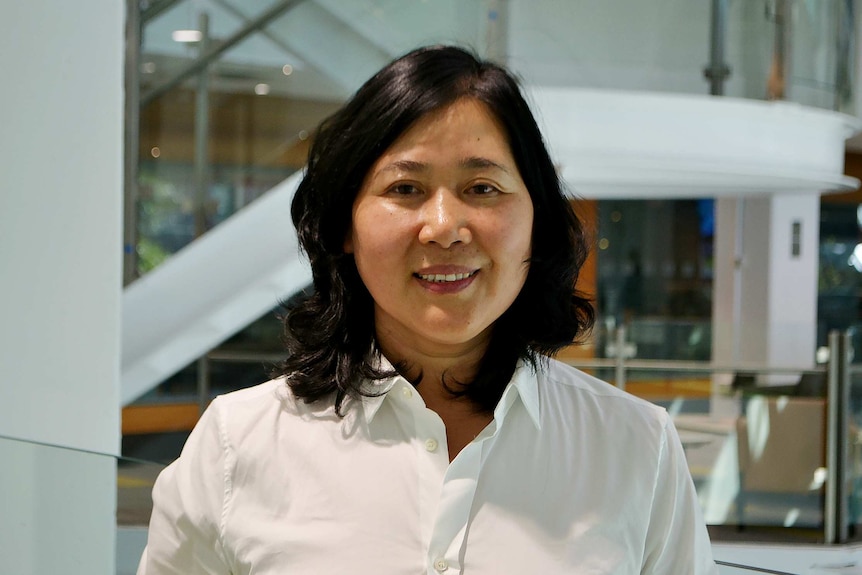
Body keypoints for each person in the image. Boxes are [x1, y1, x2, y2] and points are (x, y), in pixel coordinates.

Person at [138, 45, 718, 574]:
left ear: (536, 223)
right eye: (406, 190)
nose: (444, 228)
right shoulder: (237, 445)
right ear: (344, 224)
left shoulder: (635, 447)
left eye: (482, 189)